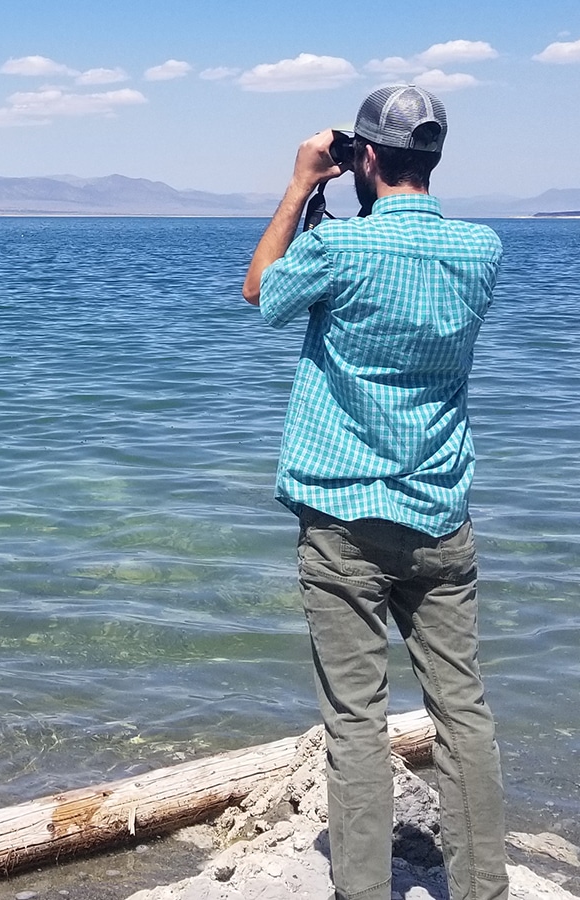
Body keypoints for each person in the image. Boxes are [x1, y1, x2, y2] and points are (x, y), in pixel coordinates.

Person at [239, 85, 508, 900]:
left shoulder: (338, 253)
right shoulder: (480, 250)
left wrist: (298, 187)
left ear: (363, 158)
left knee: (356, 724)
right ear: (432, 157)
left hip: (343, 522)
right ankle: (484, 890)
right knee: (463, 712)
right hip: (440, 516)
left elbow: (260, 292)